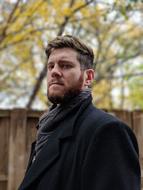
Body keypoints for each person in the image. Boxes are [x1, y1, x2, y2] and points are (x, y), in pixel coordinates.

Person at [18, 35, 140, 190]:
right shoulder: (46, 130)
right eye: (51, 66)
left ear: (88, 77)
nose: (54, 72)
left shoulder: (107, 131)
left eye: (65, 65)